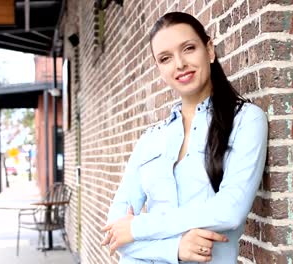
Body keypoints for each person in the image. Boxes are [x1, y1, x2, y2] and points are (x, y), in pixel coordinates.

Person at [101, 11, 268, 264]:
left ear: (209, 50)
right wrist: (175, 249)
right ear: (159, 69)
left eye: (188, 48)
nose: (179, 64)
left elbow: (229, 210)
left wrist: (138, 228)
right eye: (165, 58)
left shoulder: (246, 120)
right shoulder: (150, 139)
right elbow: (116, 231)